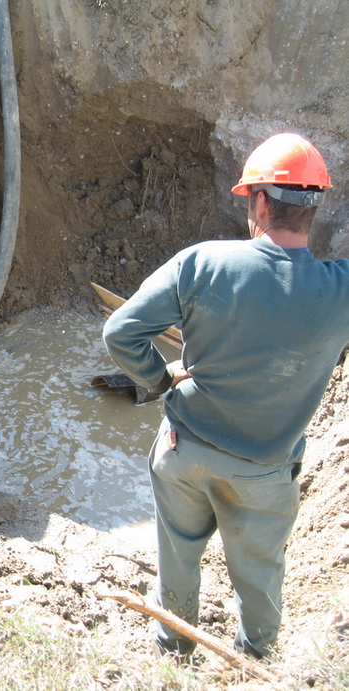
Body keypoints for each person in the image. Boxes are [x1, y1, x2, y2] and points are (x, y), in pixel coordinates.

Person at [102, 132, 348, 659]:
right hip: (265, 472)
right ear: (315, 208)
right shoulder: (341, 288)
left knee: (177, 558)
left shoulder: (202, 263)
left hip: (184, 452)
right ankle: (253, 664)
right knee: (260, 577)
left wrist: (158, 379)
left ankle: (173, 652)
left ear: (259, 202)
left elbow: (121, 333)